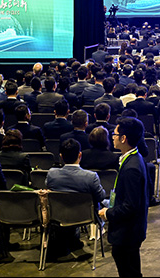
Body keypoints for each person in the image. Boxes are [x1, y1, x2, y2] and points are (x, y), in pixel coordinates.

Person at [99, 117, 149, 277]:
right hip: (129, 230)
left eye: (115, 134)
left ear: (123, 138)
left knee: (129, 271)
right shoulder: (133, 158)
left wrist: (107, 213)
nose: (112, 137)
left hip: (128, 231)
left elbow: (130, 206)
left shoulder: (131, 168)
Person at [46, 138, 107, 258]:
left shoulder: (52, 174)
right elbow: (101, 196)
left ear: (61, 156)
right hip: (86, 216)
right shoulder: (91, 176)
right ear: (80, 155)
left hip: (58, 215)